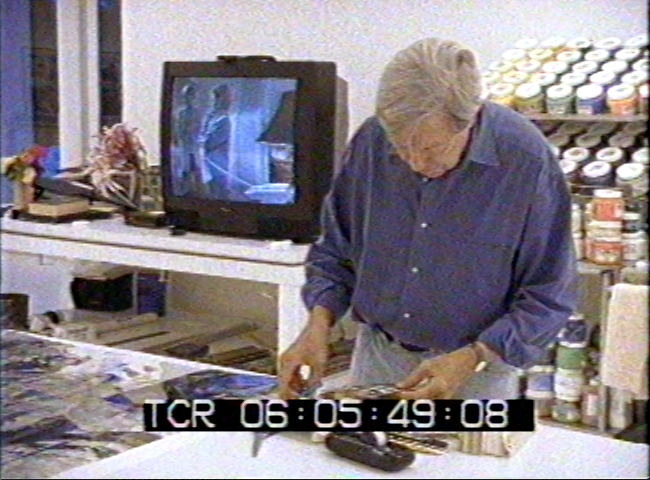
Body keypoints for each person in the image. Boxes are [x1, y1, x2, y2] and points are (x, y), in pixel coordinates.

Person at [278, 37, 578, 401]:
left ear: (470, 120)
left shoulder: (525, 159)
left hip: (475, 368)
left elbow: (548, 294)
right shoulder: (372, 139)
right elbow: (336, 251)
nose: (416, 163)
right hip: (380, 356)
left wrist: (475, 356)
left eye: (430, 149)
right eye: (400, 148)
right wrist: (317, 326)